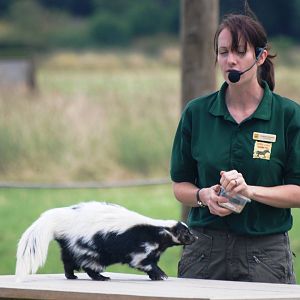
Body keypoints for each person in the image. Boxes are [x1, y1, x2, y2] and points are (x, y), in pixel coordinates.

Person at [170, 7, 300, 284]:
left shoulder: (289, 115)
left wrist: (250, 191)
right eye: (224, 52)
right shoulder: (196, 113)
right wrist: (203, 196)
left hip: (265, 254)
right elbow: (180, 185)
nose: (231, 60)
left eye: (240, 52)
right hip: (204, 251)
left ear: (261, 56)